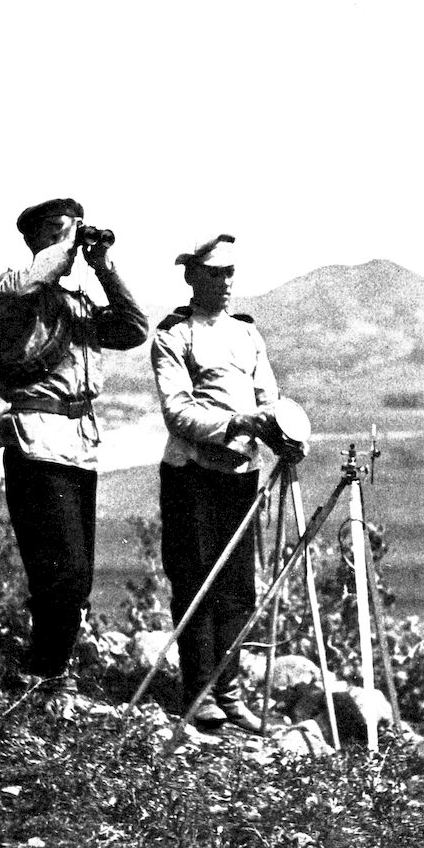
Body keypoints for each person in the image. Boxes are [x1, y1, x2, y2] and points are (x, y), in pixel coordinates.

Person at [0, 198, 148, 704]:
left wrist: (103, 266)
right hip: (36, 443)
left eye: (73, 229)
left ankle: (49, 671)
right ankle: (46, 675)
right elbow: (30, 282)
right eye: (59, 230)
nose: (71, 240)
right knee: (59, 571)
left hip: (78, 445)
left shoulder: (76, 303)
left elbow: (133, 328)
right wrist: (66, 246)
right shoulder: (14, 291)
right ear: (36, 239)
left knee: (76, 576)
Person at [151, 233, 283, 733]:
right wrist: (236, 424)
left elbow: (268, 398)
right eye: (213, 273)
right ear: (192, 277)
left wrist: (282, 434)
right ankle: (199, 692)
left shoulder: (247, 334)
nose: (225, 282)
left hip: (240, 475)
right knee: (194, 580)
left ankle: (229, 693)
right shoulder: (173, 335)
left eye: (230, 273)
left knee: (238, 587)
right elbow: (178, 411)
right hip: (192, 474)